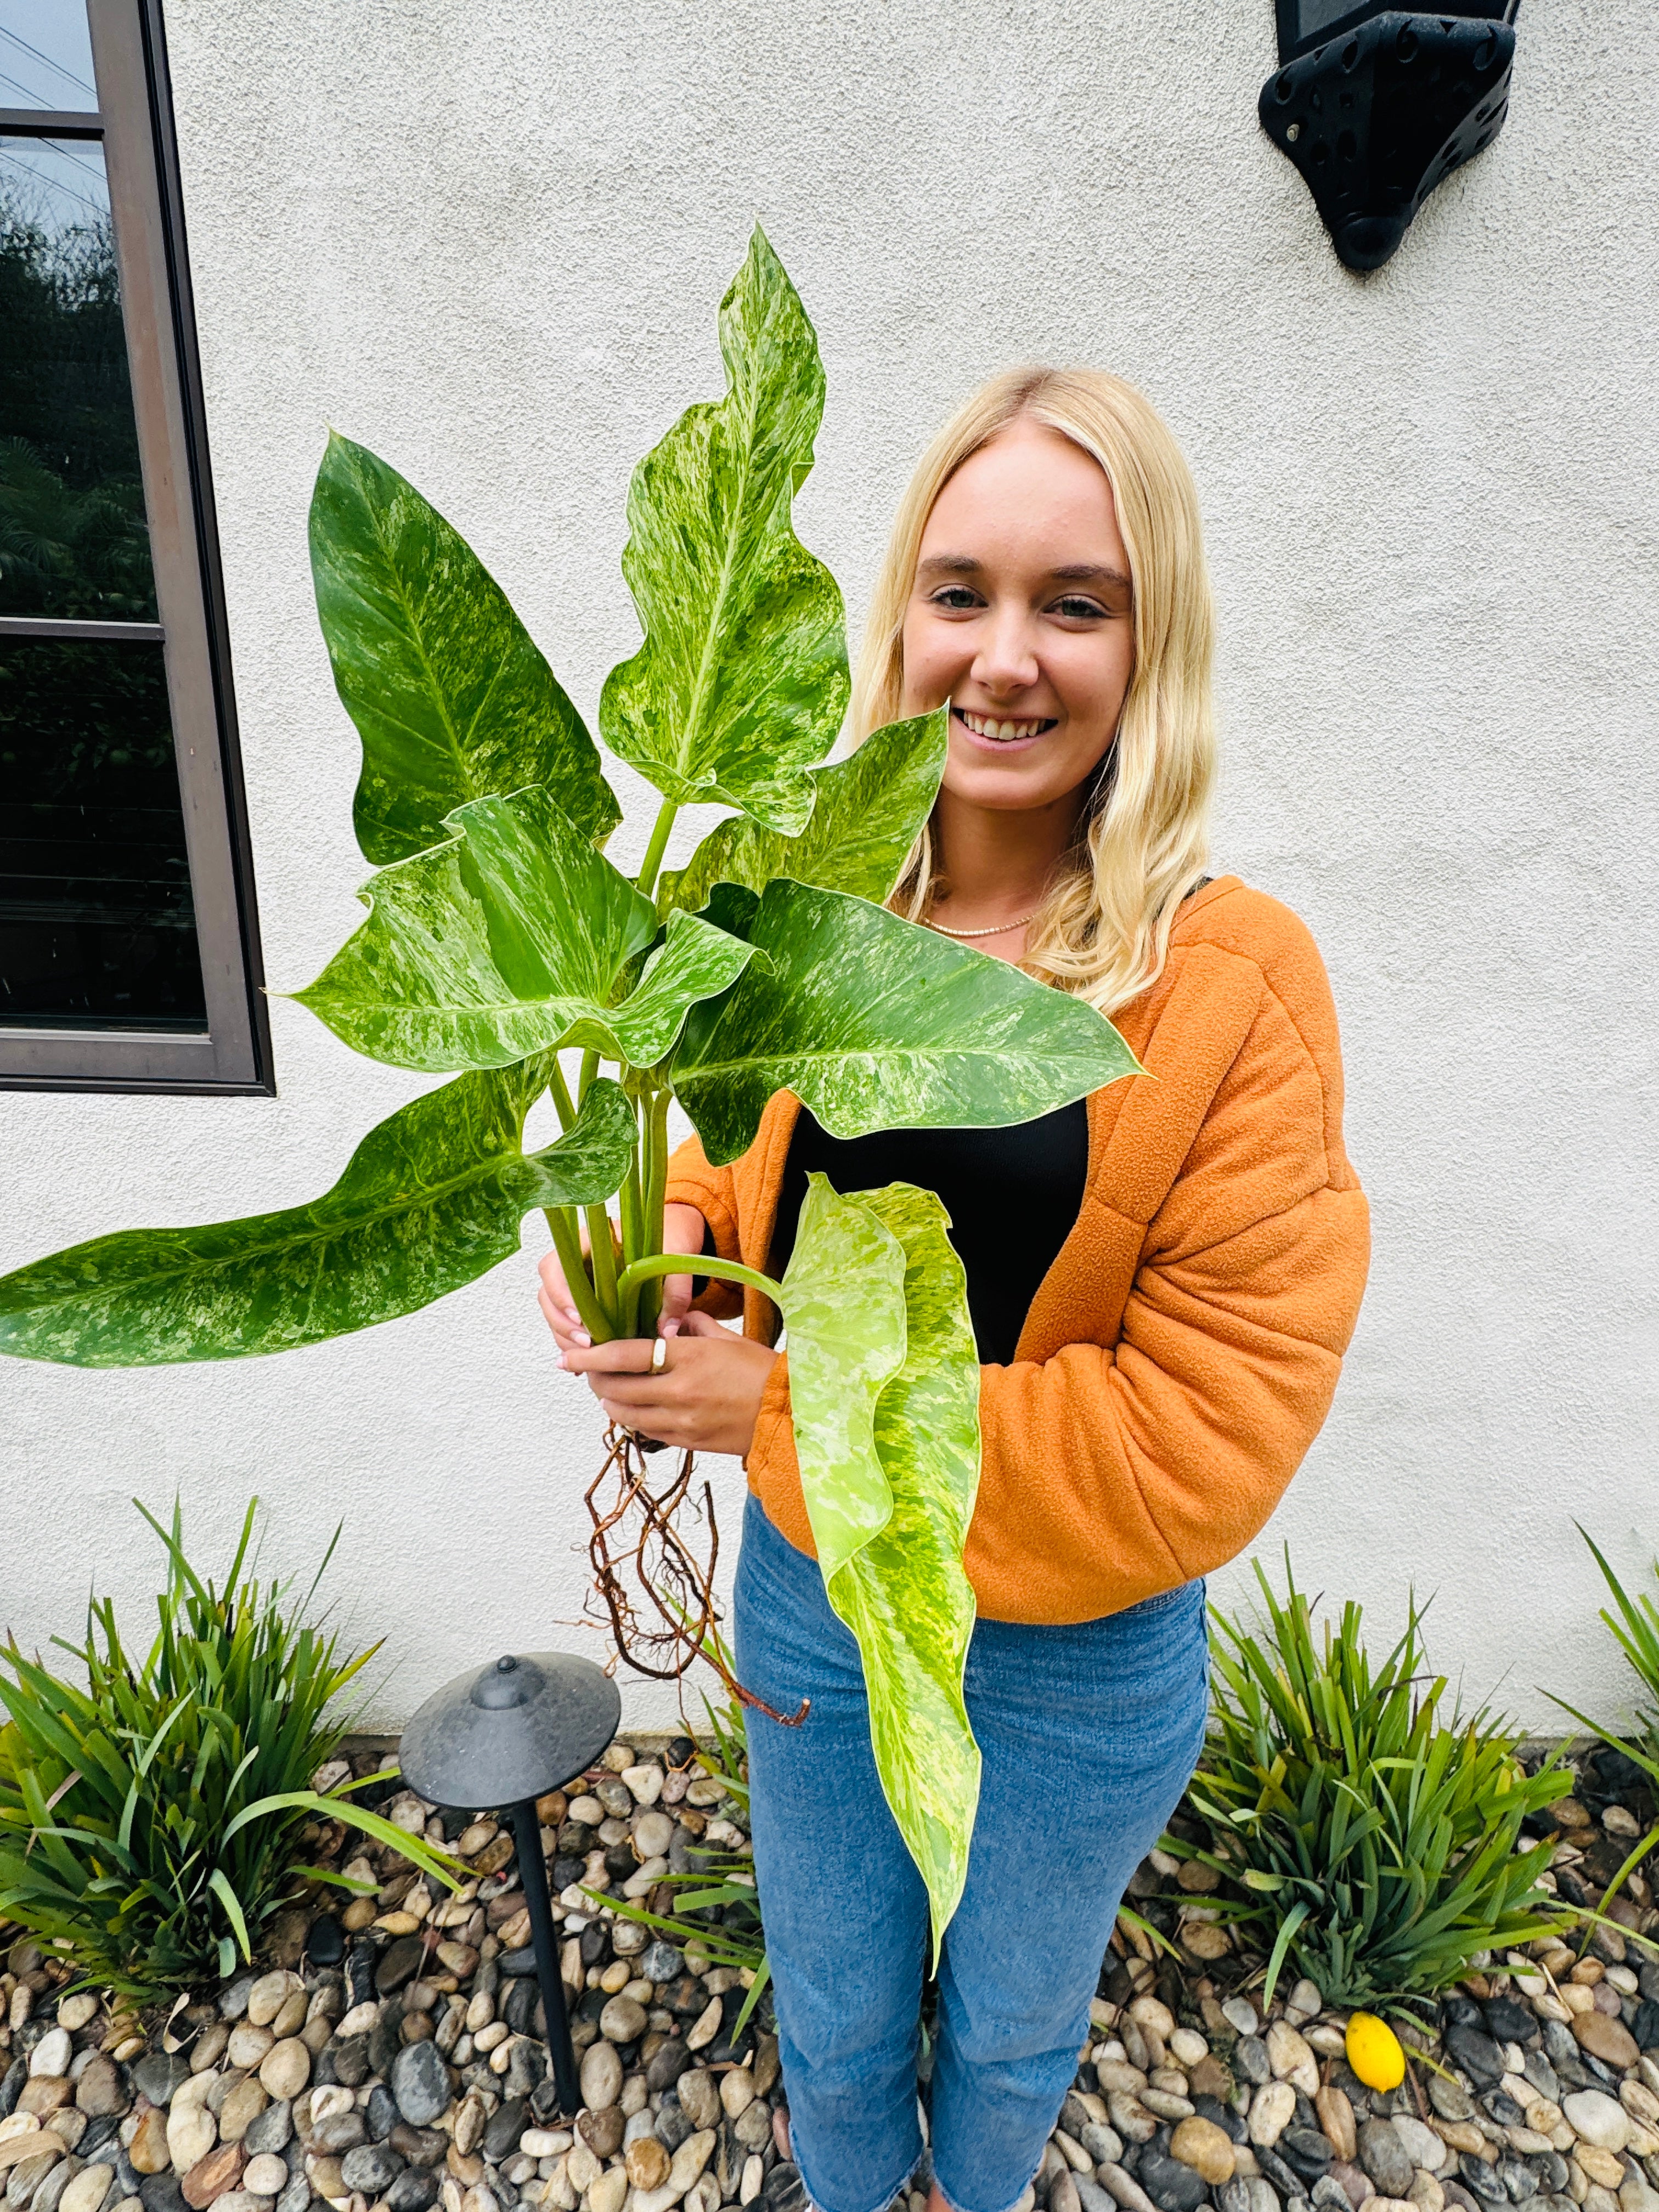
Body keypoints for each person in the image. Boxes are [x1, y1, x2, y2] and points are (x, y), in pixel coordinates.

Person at [540, 367, 1371, 2212]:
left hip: (1072, 1666)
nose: (1006, 656)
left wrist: (800, 1417)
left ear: (1151, 644)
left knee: (1007, 2024)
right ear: (899, 620)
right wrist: (668, 1274)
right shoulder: (769, 908)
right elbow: (714, 1164)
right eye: (960, 591)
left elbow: (1206, 1436)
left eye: (1075, 603)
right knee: (832, 2016)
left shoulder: (1230, 984)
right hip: (824, 1613)